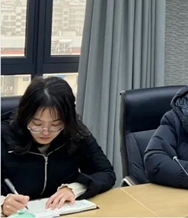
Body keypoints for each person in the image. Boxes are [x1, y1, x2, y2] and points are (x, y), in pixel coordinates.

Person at [1, 77, 115, 216]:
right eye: (37, 124)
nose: (45, 132)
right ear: (25, 115)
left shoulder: (75, 133)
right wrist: (2, 203)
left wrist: (74, 188)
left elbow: (106, 172)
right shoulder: (4, 135)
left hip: (63, 213)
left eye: (55, 124)